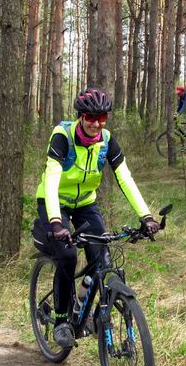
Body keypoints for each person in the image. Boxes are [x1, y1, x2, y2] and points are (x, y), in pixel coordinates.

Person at [32, 88, 160, 348]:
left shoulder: (107, 140)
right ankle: (61, 322)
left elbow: (125, 178)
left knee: (101, 258)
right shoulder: (62, 137)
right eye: (91, 117)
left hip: (85, 204)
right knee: (67, 256)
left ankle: (85, 310)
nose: (97, 123)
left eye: (102, 117)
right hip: (54, 202)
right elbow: (53, 178)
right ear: (80, 116)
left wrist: (145, 216)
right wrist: (57, 222)